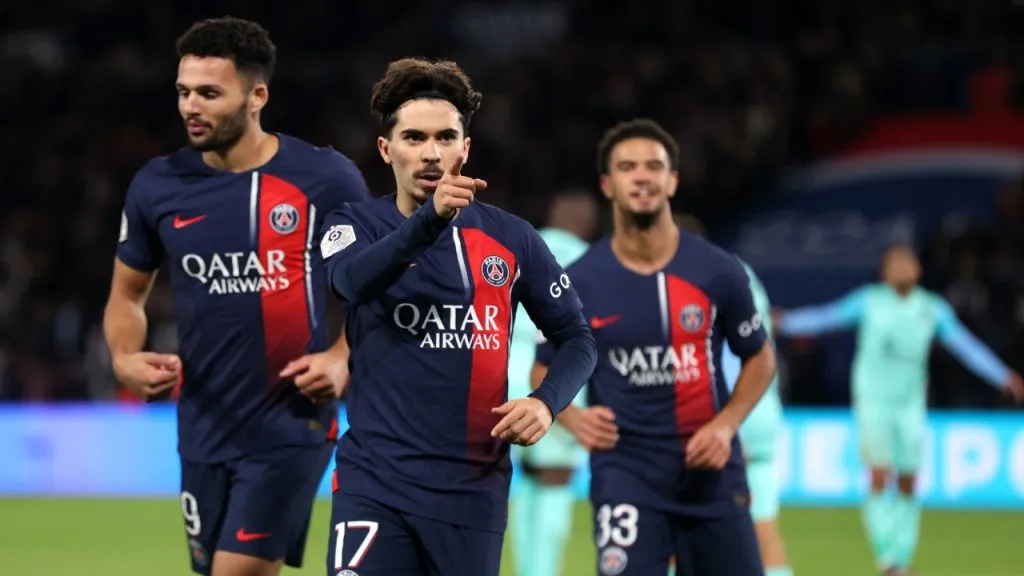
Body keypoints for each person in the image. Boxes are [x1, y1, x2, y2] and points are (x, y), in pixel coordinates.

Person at [103, 17, 370, 576]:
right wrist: (125, 357)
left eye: (208, 93)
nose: (190, 107)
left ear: (257, 96)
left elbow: (379, 287)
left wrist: (343, 356)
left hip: (291, 421)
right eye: (183, 91)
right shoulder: (158, 185)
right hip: (201, 424)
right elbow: (127, 295)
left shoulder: (324, 179)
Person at [319, 58, 598, 576]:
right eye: (414, 137)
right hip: (375, 482)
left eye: (446, 137)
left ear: (465, 148)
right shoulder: (354, 223)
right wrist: (430, 221)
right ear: (387, 149)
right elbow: (351, 283)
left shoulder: (511, 239)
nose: (431, 153)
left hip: (473, 490)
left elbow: (578, 339)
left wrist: (546, 404)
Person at [533, 119, 778, 576]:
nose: (641, 176)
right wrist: (573, 418)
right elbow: (542, 368)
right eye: (627, 167)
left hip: (712, 476)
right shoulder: (580, 281)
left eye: (653, 166)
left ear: (672, 180)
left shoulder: (718, 271)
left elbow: (760, 357)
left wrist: (726, 425)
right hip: (626, 475)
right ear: (608, 184)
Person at [774, 245, 1024, 576]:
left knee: (908, 480)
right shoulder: (869, 301)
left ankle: (902, 559)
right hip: (873, 401)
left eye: (909, 261)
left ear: (919, 269)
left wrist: (1001, 374)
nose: (904, 266)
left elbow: (964, 345)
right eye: (896, 262)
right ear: (885, 271)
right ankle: (888, 560)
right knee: (879, 475)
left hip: (910, 405)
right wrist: (784, 322)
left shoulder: (932, 309)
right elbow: (825, 318)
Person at [676, 213, 794, 576]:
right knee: (763, 528)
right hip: (758, 412)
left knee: (673, 529)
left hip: (717, 416)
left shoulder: (687, 276)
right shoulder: (741, 272)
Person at [509, 188, 598, 576]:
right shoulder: (588, 261)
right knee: (555, 479)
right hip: (553, 378)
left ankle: (526, 568)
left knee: (524, 479)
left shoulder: (520, 245)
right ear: (588, 224)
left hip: (501, 374)